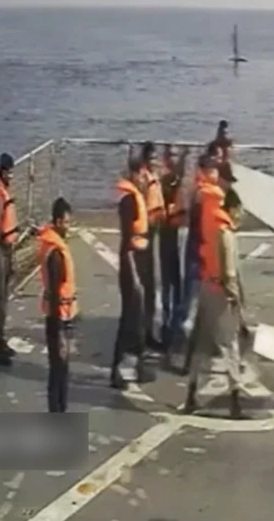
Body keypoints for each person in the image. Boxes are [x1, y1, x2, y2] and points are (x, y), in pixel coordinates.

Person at [182, 187, 246, 418]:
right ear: (233, 209)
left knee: (201, 344)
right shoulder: (226, 234)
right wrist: (236, 299)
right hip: (221, 294)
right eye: (240, 210)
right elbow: (229, 272)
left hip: (206, 288)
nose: (241, 215)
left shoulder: (212, 229)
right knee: (230, 346)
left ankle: (190, 395)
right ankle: (235, 401)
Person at [110, 155, 154, 389]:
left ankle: (137, 366)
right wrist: (135, 275)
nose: (146, 178)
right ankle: (116, 371)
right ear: (136, 174)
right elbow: (127, 241)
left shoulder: (137, 196)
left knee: (138, 320)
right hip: (131, 264)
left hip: (139, 259)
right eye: (143, 174)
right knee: (129, 319)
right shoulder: (128, 201)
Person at [179, 158, 226, 376]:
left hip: (202, 255)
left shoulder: (204, 194)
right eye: (212, 171)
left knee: (201, 309)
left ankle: (192, 356)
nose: (215, 175)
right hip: (200, 257)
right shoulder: (202, 195)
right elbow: (203, 228)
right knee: (194, 307)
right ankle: (186, 354)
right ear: (205, 172)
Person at [38, 197, 77, 413]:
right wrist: (60, 334)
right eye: (67, 222)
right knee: (58, 371)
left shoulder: (53, 246)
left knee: (62, 370)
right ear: (59, 221)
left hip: (63, 315)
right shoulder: (55, 254)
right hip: (58, 319)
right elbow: (54, 294)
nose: (69, 227)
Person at [159, 147, 189, 366]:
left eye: (175, 155)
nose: (173, 159)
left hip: (178, 235)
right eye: (170, 155)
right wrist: (184, 159)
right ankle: (168, 327)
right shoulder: (164, 179)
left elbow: (179, 176)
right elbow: (173, 177)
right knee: (169, 282)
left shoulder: (177, 180)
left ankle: (175, 325)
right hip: (167, 235)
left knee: (178, 283)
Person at [0, 153, 19, 366]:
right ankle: (0, 345)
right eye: (8, 172)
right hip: (0, 251)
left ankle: (3, 341)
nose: (11, 176)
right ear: (2, 172)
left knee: (5, 296)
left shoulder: (6, 192)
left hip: (8, 249)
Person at [139, 142, 166, 352]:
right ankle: (143, 333)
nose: (154, 162)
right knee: (145, 285)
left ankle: (149, 332)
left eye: (156, 158)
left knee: (152, 286)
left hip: (155, 232)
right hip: (145, 235)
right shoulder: (143, 180)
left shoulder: (155, 177)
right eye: (151, 158)